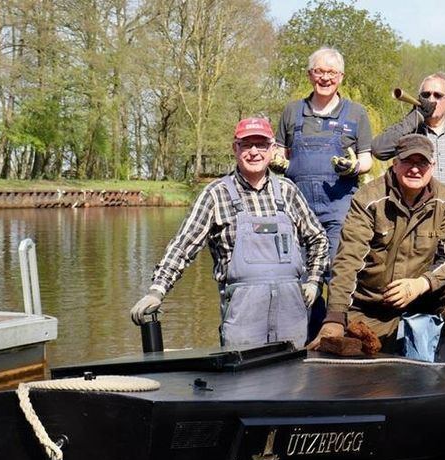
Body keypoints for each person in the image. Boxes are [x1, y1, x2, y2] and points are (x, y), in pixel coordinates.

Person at [130, 117, 329, 350]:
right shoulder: (216, 194)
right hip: (242, 323)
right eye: (246, 145)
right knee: (241, 384)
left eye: (262, 144)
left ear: (273, 149)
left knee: (294, 382)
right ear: (235, 149)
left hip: (292, 320)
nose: (254, 152)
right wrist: (157, 291)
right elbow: (182, 247)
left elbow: (318, 238)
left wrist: (314, 281)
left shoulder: (287, 191)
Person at [307, 134, 445, 363]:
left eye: (421, 163)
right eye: (407, 162)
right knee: (353, 365)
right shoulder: (367, 199)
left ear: (432, 166)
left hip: (423, 293)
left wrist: (422, 284)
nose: (414, 169)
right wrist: (335, 316)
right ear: (395, 163)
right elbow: (348, 259)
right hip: (372, 302)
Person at [274, 47, 374, 262]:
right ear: (309, 74)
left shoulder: (357, 113)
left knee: (338, 272)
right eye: (319, 71)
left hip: (339, 208)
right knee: (298, 273)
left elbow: (367, 159)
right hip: (297, 207)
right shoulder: (292, 111)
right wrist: (277, 163)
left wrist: (353, 167)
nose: (325, 78)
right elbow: (279, 152)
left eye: (332, 73)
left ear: (341, 77)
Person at [371, 72, 445, 235]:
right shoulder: (409, 129)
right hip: (413, 225)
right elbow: (379, 149)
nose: (431, 100)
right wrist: (415, 117)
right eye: (425, 95)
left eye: (437, 95)